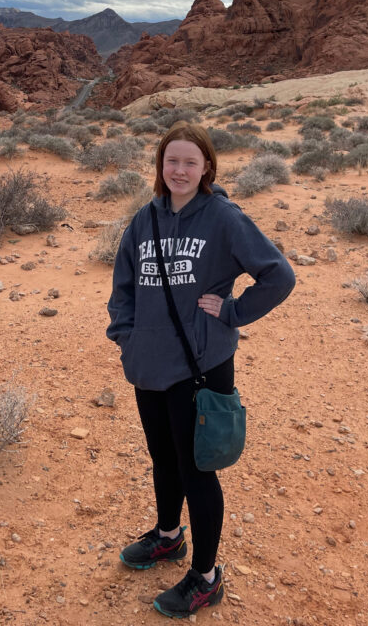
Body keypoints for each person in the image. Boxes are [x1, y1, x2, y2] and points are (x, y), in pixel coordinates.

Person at [107, 121, 296, 619]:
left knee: (198, 470)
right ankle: (169, 537)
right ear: (160, 167)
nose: (180, 170)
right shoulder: (143, 221)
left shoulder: (223, 219)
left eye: (191, 162)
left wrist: (233, 313)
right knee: (162, 459)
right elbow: (123, 285)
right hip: (148, 367)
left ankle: (207, 577)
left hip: (200, 368)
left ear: (207, 166)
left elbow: (279, 275)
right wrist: (125, 337)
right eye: (172, 161)